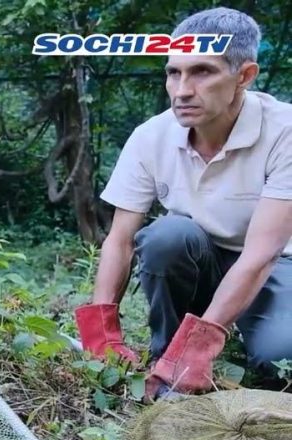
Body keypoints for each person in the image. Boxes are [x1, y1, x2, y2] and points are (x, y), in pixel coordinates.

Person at [74, 8, 292, 397]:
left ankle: (197, 349)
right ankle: (169, 356)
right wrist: (101, 330)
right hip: (200, 257)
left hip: (275, 266)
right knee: (166, 236)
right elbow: (120, 239)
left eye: (202, 72)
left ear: (244, 76)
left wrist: (203, 343)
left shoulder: (284, 131)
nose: (182, 90)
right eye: (174, 73)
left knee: (280, 357)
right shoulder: (151, 136)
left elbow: (263, 254)